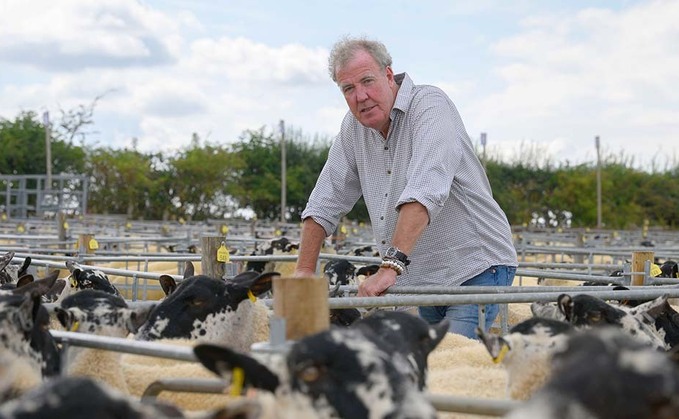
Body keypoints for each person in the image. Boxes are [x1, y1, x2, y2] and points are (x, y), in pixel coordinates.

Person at [293, 35, 518, 338]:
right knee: (424, 369)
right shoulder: (352, 129)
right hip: (421, 278)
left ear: (389, 75)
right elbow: (324, 201)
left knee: (451, 366)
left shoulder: (429, 106)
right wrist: (303, 275)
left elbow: (426, 187)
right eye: (348, 88)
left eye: (367, 81)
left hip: (473, 267)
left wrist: (390, 267)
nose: (361, 96)